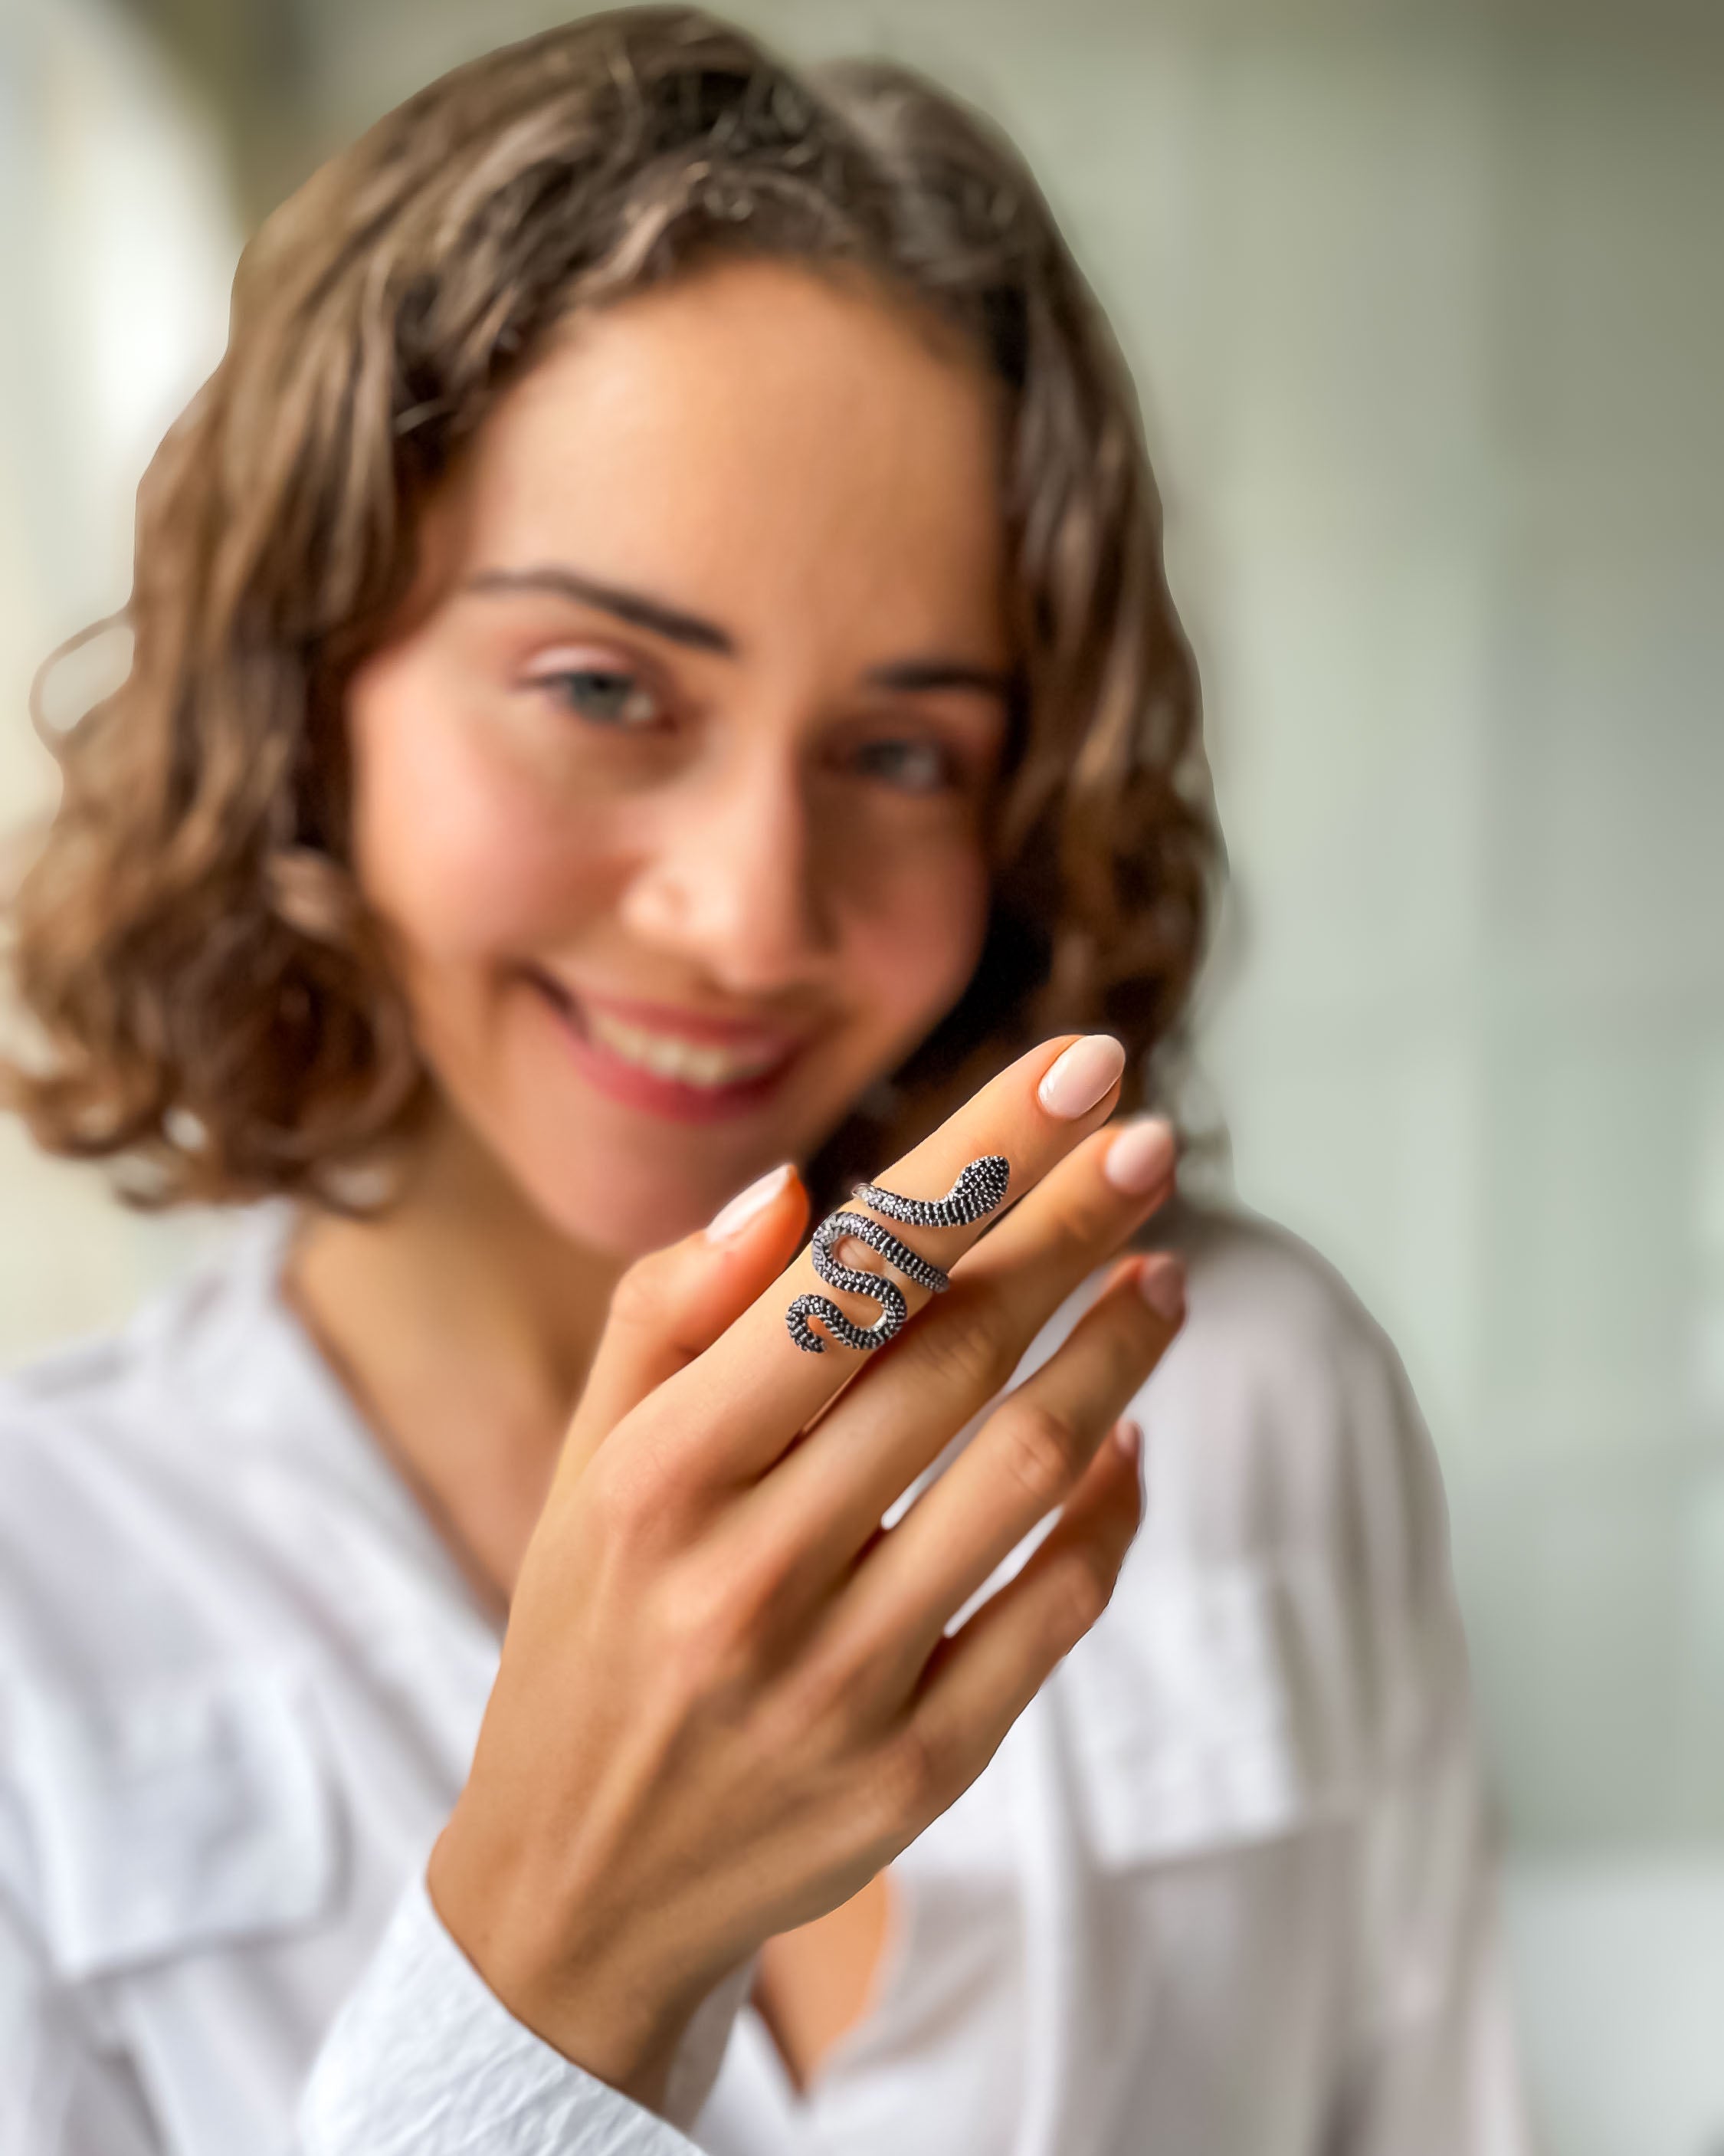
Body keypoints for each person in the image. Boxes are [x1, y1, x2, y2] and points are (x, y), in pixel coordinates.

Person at [0, 11, 1529, 2153]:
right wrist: (553, 1968)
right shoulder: (35, 1604)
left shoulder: (1248, 1396)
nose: (746, 916)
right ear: (300, 692)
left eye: (903, 749)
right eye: (601, 688)